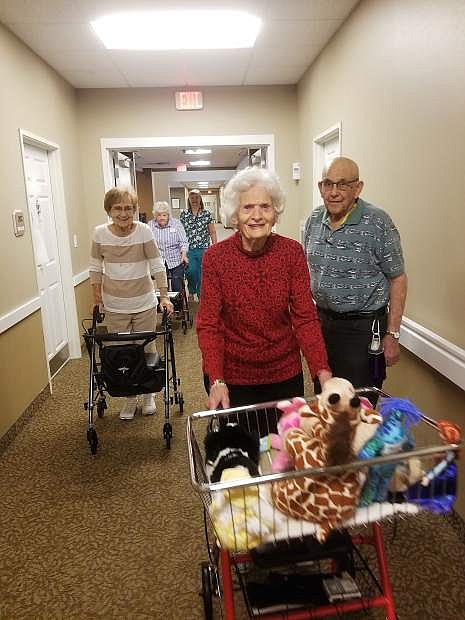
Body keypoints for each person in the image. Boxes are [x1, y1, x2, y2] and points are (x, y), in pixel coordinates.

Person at [196, 167, 332, 434]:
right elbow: (209, 324)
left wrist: (322, 371)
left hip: (283, 372)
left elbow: (305, 317)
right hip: (233, 375)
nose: (257, 216)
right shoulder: (215, 258)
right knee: (242, 455)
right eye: (247, 208)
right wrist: (216, 379)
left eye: (265, 207)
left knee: (283, 450)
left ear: (275, 212)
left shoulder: (291, 252)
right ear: (235, 215)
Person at [304, 156, 407, 400]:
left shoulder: (378, 222)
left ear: (358, 187)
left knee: (357, 405)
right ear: (320, 187)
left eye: (343, 185)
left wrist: (392, 335)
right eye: (328, 184)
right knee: (325, 398)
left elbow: (398, 278)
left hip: (363, 330)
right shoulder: (313, 220)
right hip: (322, 325)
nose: (334, 192)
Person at [89, 186, 174, 420]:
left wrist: (164, 296)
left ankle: (148, 394)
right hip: (115, 305)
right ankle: (129, 398)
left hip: (145, 303)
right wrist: (97, 299)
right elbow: (95, 268)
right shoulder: (99, 234)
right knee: (122, 353)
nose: (124, 213)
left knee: (147, 348)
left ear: (135, 210)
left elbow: (157, 264)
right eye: (118, 208)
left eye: (128, 208)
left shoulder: (144, 231)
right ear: (109, 210)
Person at [180, 189, 217, 301]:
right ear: (189, 200)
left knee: (202, 273)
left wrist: (215, 247)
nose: (194, 200)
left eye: (196, 197)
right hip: (189, 248)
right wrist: (181, 249)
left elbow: (212, 232)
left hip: (203, 248)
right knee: (191, 271)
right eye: (192, 198)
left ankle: (201, 296)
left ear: (200, 199)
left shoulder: (206, 214)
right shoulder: (184, 214)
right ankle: (191, 289)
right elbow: (180, 232)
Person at [148, 201, 189, 293]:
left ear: (168, 215)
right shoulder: (150, 225)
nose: (161, 218)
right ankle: (165, 305)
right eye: (159, 215)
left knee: (177, 286)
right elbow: (148, 243)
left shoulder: (176, 224)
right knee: (163, 287)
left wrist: (184, 255)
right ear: (155, 216)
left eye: (164, 215)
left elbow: (183, 241)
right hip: (159, 260)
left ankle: (179, 305)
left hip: (175, 259)